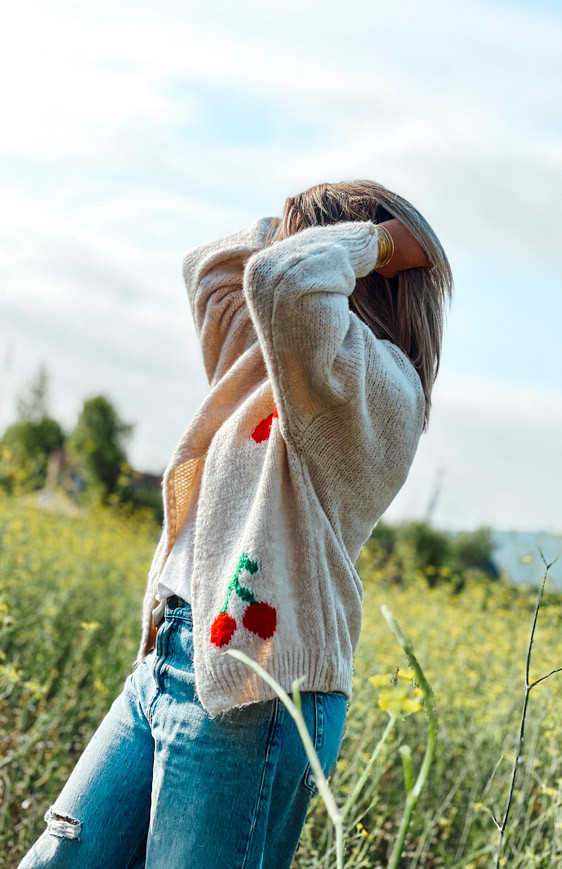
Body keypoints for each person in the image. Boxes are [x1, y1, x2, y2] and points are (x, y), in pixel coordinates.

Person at [18, 179, 453, 868]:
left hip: (260, 692)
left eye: (304, 240)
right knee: (61, 857)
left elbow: (277, 279)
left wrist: (372, 239)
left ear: (367, 274)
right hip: (172, 657)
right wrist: (284, 226)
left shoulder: (378, 389)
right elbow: (213, 275)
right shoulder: (273, 366)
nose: (283, 250)